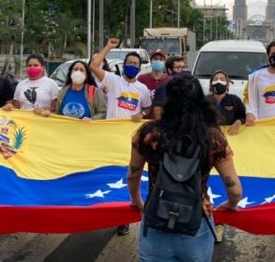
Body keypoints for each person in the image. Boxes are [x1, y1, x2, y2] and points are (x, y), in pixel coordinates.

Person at [127, 73, 242, 261]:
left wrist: (137, 201)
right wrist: (230, 204)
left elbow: (132, 176)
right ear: (201, 101)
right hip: (197, 222)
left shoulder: (149, 134)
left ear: (168, 100)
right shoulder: (213, 138)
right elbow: (235, 188)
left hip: (156, 219)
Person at [90, 38, 151, 236]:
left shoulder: (142, 89)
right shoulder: (113, 80)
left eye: (135, 64)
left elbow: (147, 109)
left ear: (140, 68)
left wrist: (141, 115)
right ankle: (108, 212)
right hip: (110, 138)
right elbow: (93, 65)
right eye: (129, 63)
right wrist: (108, 47)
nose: (131, 66)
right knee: (110, 176)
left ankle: (123, 219)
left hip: (130, 140)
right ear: (123, 66)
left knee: (128, 178)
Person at [205, 70, 247, 243]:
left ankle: (221, 220)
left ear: (228, 84)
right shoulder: (205, 101)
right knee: (210, 182)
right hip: (208, 146)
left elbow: (243, 116)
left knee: (228, 180)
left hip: (229, 148)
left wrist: (238, 122)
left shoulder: (234, 101)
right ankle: (209, 220)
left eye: (223, 79)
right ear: (211, 83)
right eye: (216, 79)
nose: (219, 82)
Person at [40, 60, 106, 120]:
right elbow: (57, 113)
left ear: (86, 76)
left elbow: (103, 112)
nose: (78, 72)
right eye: (75, 69)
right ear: (71, 73)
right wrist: (48, 113)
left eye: (82, 70)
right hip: (64, 131)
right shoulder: (62, 92)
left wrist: (92, 119)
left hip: (86, 130)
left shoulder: (94, 91)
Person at [138, 49, 170, 119]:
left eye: (161, 59)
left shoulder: (170, 81)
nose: (158, 61)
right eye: (155, 59)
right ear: (151, 61)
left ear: (165, 62)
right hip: (144, 120)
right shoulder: (141, 79)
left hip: (163, 121)